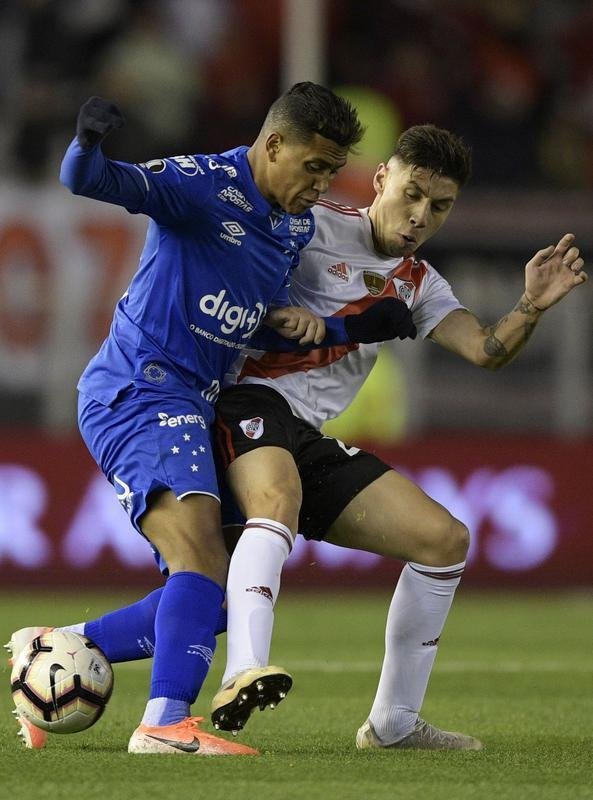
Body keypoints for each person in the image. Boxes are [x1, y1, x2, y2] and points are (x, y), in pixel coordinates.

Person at [7, 83, 413, 756]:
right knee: (195, 554)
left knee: (216, 595)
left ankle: (61, 645)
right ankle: (164, 723)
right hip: (141, 389)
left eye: (330, 170)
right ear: (273, 144)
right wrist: (87, 143)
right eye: (312, 166)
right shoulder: (202, 183)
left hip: (196, 401)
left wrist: (351, 324)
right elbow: (90, 181)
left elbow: (254, 327)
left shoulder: (291, 226)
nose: (321, 184)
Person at [208, 123, 586, 750]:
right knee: (272, 506)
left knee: (444, 540)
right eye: (411, 194)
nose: (419, 216)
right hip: (243, 402)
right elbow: (233, 280)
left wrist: (532, 305)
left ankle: (393, 725)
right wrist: (284, 316)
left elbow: (485, 350)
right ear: (381, 178)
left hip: (305, 435)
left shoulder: (418, 285)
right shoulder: (312, 221)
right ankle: (245, 670)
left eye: (439, 206)